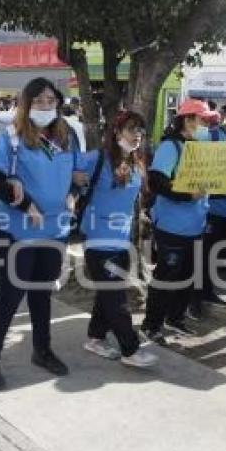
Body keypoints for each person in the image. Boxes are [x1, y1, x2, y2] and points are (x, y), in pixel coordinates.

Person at [0, 78, 81, 390]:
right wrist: (23, 203)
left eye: (51, 100)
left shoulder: (67, 135)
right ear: (26, 104)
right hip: (14, 228)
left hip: (54, 227)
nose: (46, 106)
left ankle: (42, 349)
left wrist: (74, 193)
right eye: (38, 101)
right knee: (10, 293)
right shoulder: (12, 136)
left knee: (41, 291)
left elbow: (75, 175)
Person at [78, 111, 158, 368]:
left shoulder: (136, 162)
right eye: (132, 129)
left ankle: (95, 338)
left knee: (107, 295)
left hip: (122, 240)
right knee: (115, 297)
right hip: (98, 240)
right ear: (116, 132)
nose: (137, 135)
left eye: (140, 131)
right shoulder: (97, 159)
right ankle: (130, 349)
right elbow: (65, 170)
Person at [141, 99, 215, 343]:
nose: (207, 125)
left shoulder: (199, 147)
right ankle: (151, 324)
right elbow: (157, 182)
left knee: (187, 274)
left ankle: (175, 318)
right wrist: (186, 194)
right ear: (188, 119)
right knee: (166, 276)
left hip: (195, 224)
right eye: (203, 120)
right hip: (172, 225)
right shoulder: (171, 147)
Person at [189, 97, 226, 320]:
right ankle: (194, 301)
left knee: (214, 255)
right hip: (209, 207)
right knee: (202, 256)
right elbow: (192, 159)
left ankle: (208, 293)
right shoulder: (211, 135)